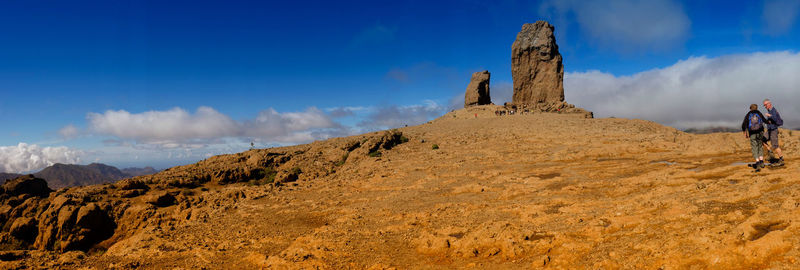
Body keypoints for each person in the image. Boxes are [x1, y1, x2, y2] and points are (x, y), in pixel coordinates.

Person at [741, 104, 768, 170]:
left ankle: (757, 162)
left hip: (752, 133)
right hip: (760, 132)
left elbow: (744, 124)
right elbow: (764, 120)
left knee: (754, 147)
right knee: (760, 146)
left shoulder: (748, 114)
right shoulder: (759, 113)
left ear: (750, 108)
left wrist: (745, 132)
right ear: (756, 108)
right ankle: (762, 162)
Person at [762, 99, 784, 166]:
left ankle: (781, 160)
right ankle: (770, 152)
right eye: (764, 105)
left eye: (765, 105)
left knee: (775, 146)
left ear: (769, 104)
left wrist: (769, 116)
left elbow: (775, 119)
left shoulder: (773, 110)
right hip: (769, 130)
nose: (765, 106)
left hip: (773, 130)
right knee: (762, 139)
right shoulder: (769, 110)